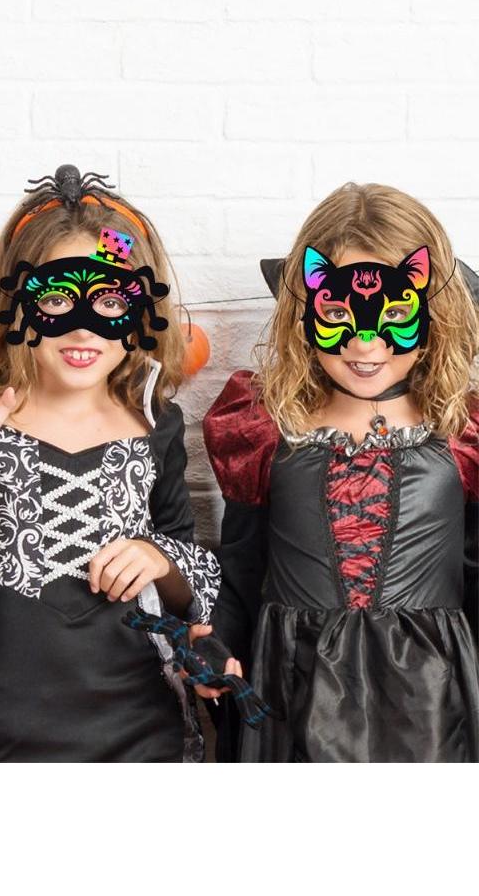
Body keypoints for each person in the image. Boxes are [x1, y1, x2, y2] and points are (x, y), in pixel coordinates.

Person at [0, 165, 222, 761]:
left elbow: (191, 571)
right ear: (18, 306)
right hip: (9, 727)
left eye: (109, 300)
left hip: (145, 725)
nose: (83, 328)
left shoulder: (157, 421)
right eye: (59, 298)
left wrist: (157, 558)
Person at [203, 182, 479, 762]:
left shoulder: (463, 434)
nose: (366, 341)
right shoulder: (264, 426)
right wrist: (218, 646)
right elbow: (242, 568)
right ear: (305, 311)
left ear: (433, 314)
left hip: (431, 703)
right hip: (292, 690)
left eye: (395, 314)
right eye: (337, 313)